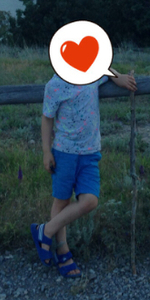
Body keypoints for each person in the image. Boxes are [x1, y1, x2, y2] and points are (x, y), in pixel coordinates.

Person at [31, 68, 137, 278]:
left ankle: (46, 230)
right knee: (61, 201)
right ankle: (63, 252)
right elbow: (47, 118)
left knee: (90, 200)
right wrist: (46, 151)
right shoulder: (55, 85)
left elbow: (104, 67)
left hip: (90, 153)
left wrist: (119, 78)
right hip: (64, 152)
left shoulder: (92, 73)